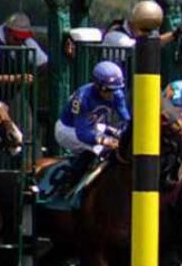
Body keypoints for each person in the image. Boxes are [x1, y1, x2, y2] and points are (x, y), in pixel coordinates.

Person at [54, 61, 130, 196]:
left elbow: (126, 119)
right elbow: (82, 133)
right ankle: (68, 182)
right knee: (99, 148)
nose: (112, 94)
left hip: (93, 126)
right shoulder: (83, 98)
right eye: (108, 90)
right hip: (68, 129)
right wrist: (104, 141)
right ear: (97, 84)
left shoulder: (117, 94)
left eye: (116, 89)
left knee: (117, 138)